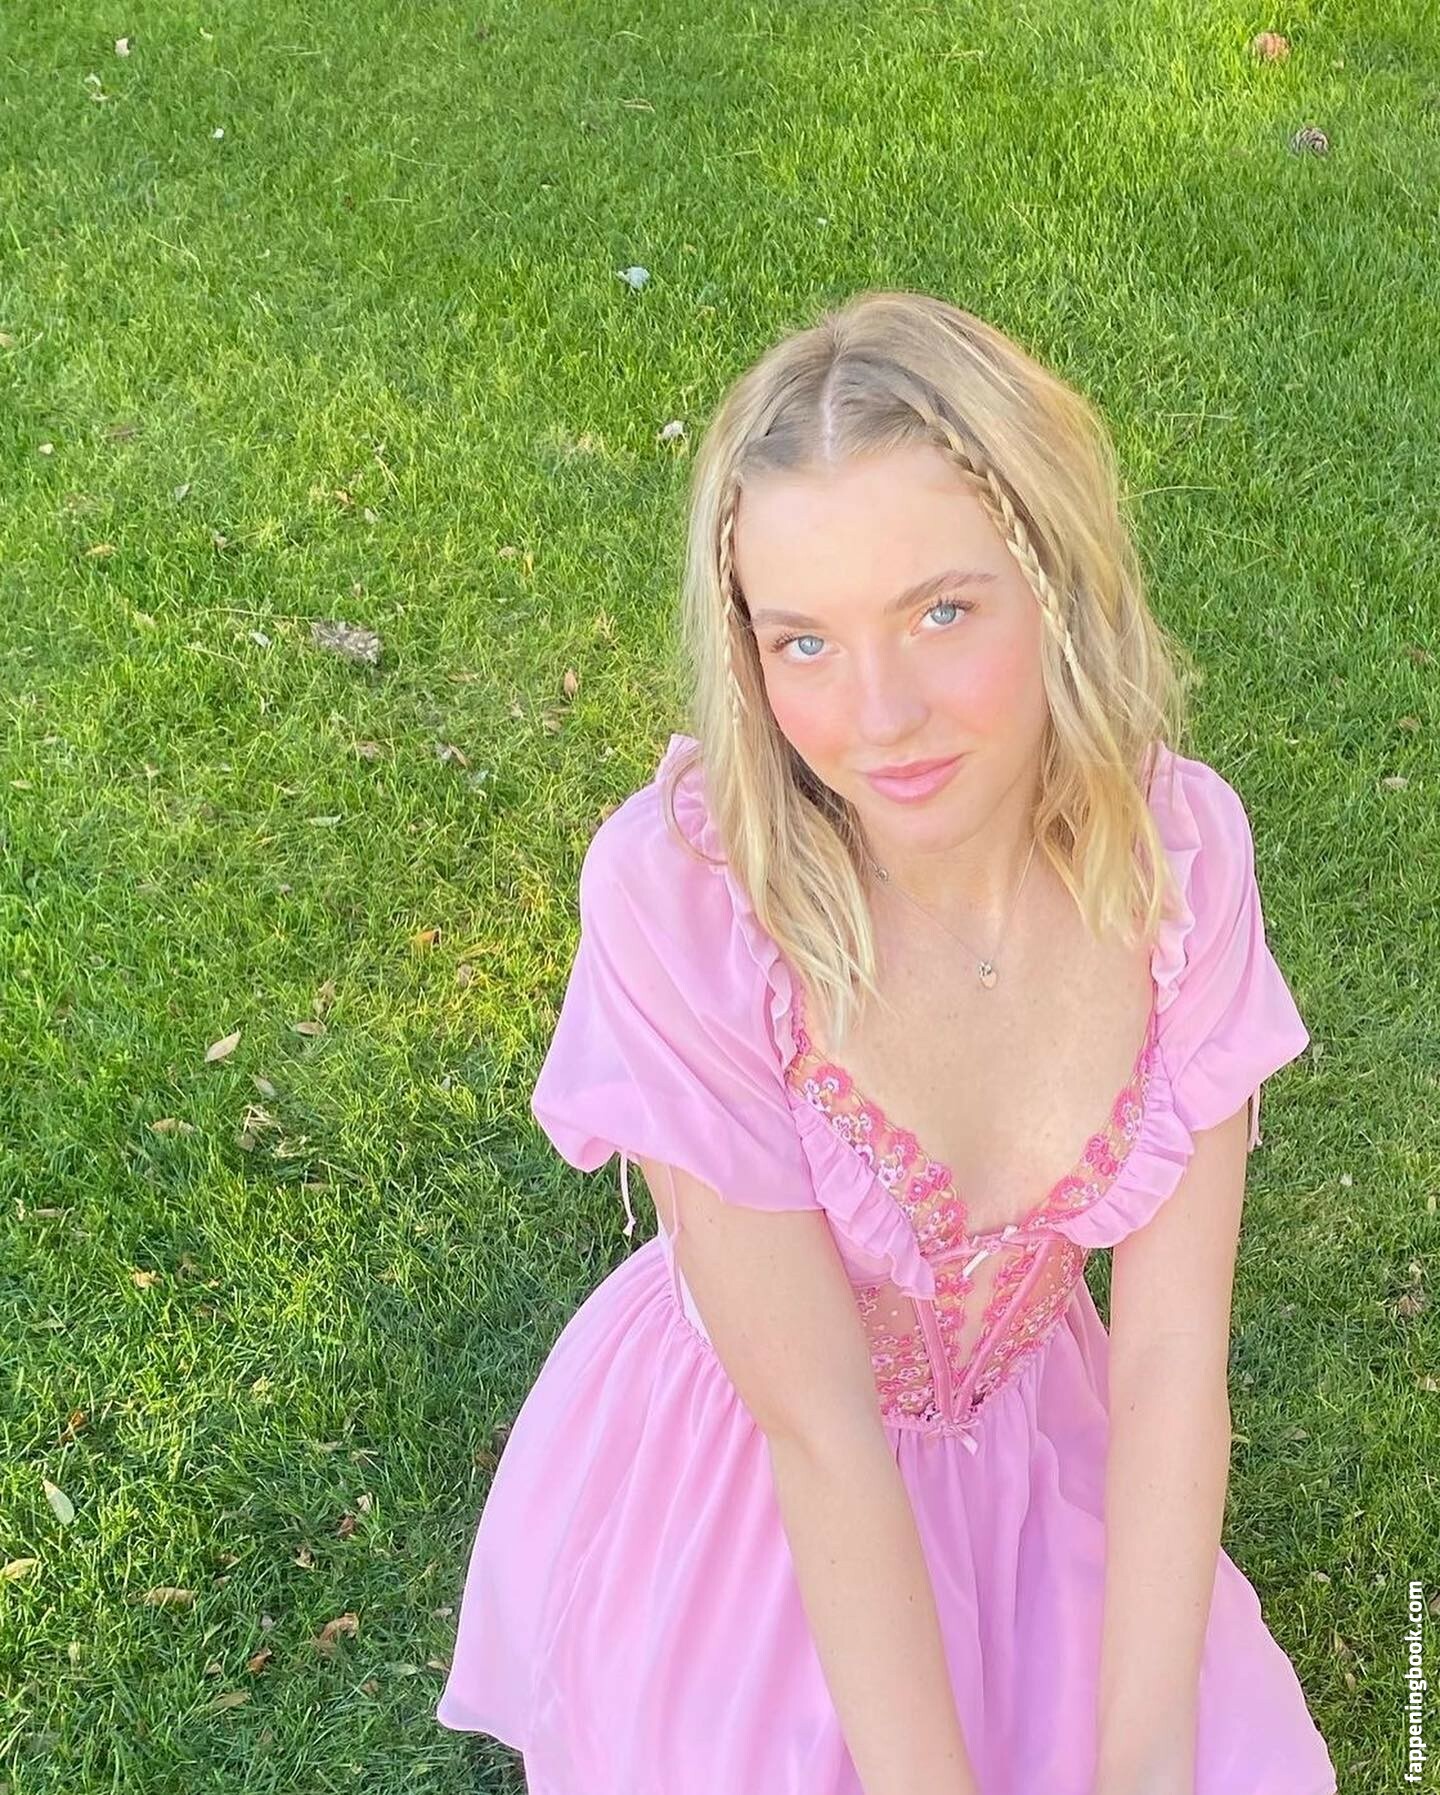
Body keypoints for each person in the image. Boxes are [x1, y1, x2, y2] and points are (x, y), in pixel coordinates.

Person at [435, 291, 1337, 1795]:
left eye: (941, 613)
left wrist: (1146, 1763)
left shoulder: (1178, 862)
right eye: (803, 641)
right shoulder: (688, 903)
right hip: (771, 1498)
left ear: (1057, 581)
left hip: (1036, 1447)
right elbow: (820, 1428)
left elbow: (1173, 1359)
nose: (881, 718)